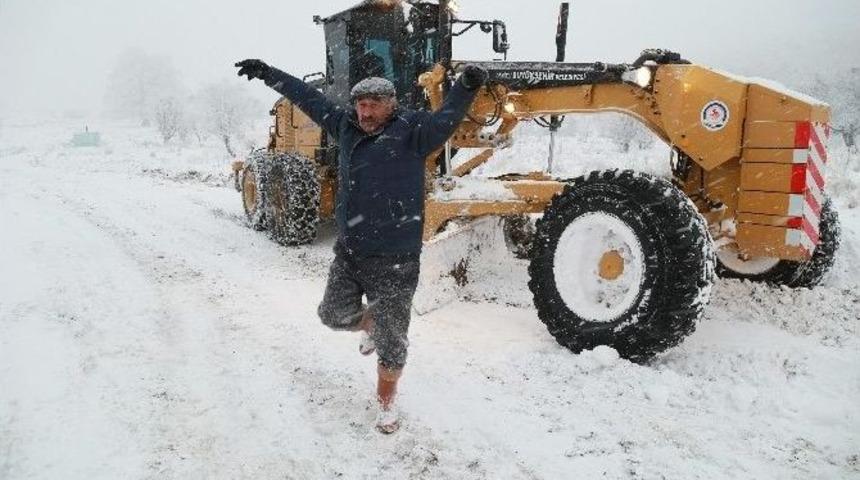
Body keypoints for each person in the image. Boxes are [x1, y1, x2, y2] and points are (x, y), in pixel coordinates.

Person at [235, 58, 487, 433]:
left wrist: (465, 85)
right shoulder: (345, 127)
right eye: (360, 104)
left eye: (373, 104)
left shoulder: (414, 131)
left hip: (396, 258)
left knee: (392, 341)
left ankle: (386, 404)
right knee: (332, 315)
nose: (365, 112)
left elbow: (448, 115)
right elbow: (306, 97)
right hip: (350, 251)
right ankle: (368, 322)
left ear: (391, 104)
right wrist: (269, 73)